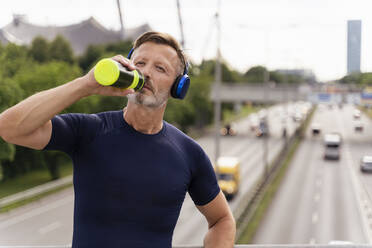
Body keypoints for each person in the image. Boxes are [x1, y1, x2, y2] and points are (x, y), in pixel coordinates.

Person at [0, 31, 236, 248]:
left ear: (178, 87)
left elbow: (222, 220)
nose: (145, 72)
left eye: (160, 68)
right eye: (140, 63)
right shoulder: (89, 130)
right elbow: (9, 128)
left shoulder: (189, 154)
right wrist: (85, 85)